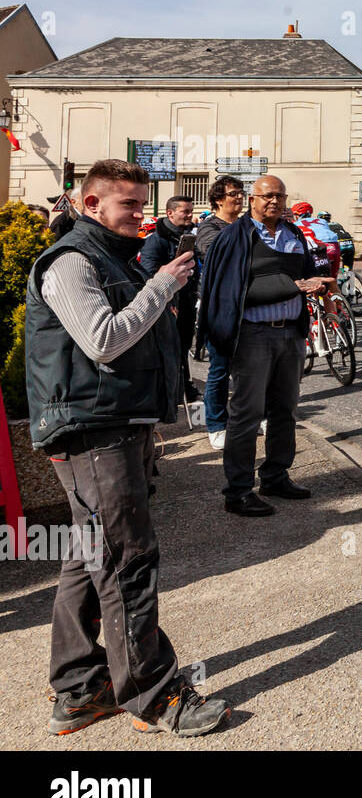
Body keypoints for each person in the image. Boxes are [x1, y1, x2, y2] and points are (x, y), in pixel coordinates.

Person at [25, 158, 231, 737]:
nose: (141, 214)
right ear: (90, 205)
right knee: (125, 561)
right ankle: (154, 695)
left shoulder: (114, 255)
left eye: (144, 204)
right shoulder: (70, 262)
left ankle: (79, 688)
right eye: (129, 205)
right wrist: (163, 285)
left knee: (90, 558)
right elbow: (103, 340)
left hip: (118, 425)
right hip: (93, 432)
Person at [199, 175, 326, 517]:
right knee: (246, 413)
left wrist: (317, 285)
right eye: (267, 196)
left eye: (280, 196)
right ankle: (238, 490)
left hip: (291, 333)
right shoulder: (234, 237)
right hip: (253, 335)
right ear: (252, 200)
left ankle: (275, 475)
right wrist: (292, 286)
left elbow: (308, 274)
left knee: (285, 409)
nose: (274, 201)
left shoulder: (294, 234)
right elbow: (229, 291)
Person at [195, 176, 244, 449]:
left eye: (241, 193)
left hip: (247, 306)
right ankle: (215, 425)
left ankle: (246, 418)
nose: (238, 197)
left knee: (248, 369)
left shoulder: (246, 225)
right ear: (218, 199)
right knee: (220, 369)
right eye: (233, 193)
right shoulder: (209, 227)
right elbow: (214, 253)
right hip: (220, 308)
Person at [140, 194, 200, 405]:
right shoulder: (155, 241)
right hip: (166, 303)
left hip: (187, 300)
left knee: (183, 346)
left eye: (191, 211)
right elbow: (147, 271)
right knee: (167, 347)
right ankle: (169, 389)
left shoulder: (188, 236)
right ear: (170, 213)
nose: (190, 215)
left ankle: (183, 385)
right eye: (185, 211)